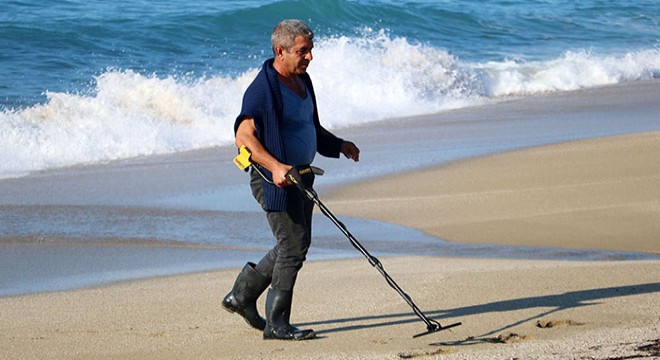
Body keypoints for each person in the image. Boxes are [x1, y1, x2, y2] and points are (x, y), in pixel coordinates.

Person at [222, 19, 360, 341]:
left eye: (310, 50)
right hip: (274, 180)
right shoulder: (262, 90)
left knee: (294, 244)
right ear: (279, 51)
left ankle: (242, 296)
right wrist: (275, 166)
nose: (310, 57)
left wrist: (338, 145)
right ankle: (276, 324)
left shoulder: (303, 81)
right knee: (293, 246)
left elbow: (308, 127)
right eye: (303, 51)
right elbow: (243, 137)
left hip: (302, 177)